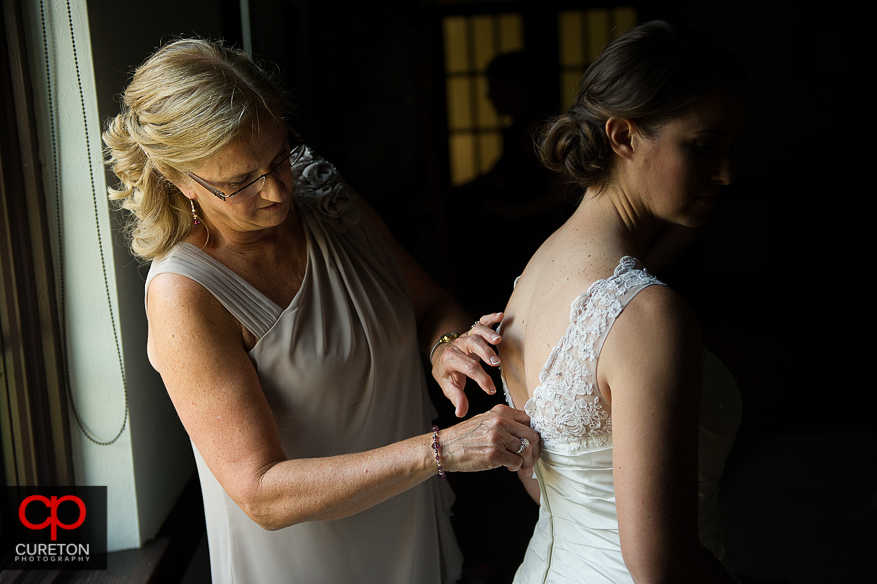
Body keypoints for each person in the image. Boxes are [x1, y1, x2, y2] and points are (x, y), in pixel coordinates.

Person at [102, 38, 539, 584]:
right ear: (178, 177)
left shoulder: (326, 200)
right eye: (240, 182)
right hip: (307, 564)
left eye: (279, 154)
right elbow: (261, 492)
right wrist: (442, 449)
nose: (277, 191)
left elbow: (431, 305)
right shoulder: (186, 295)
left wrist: (443, 348)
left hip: (406, 527)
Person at [498, 21, 744, 583]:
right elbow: (662, 563)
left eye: (730, 149)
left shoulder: (532, 276)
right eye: (703, 148)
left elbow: (547, 484)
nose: (726, 175)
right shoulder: (647, 314)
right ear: (623, 136)